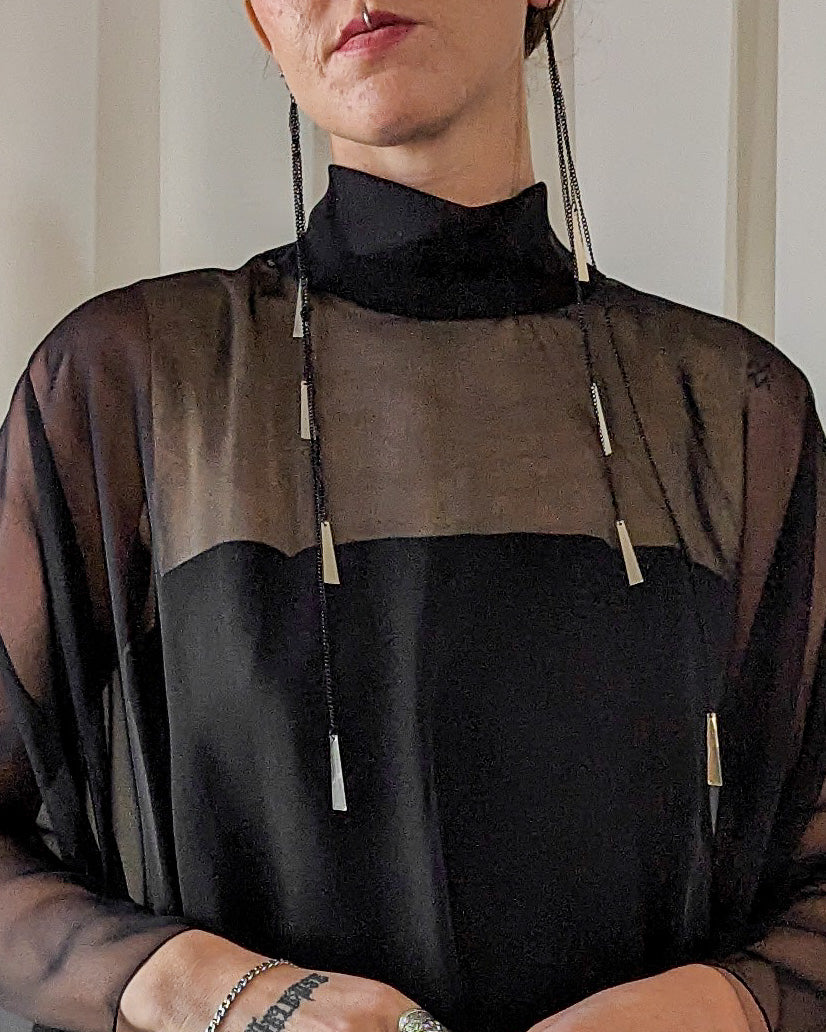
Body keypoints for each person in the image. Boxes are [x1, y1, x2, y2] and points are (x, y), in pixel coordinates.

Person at [0, 1, 824, 1031]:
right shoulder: (127, 388)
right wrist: (217, 992)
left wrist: (711, 1008)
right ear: (261, 23)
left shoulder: (734, 412)